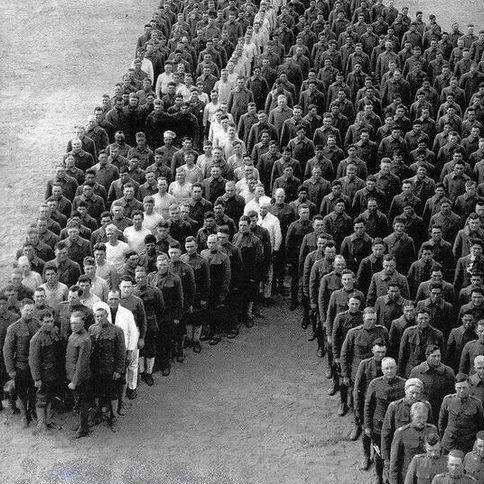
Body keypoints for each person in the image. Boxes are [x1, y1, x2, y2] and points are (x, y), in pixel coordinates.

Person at [364, 357, 406, 484]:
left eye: (392, 367)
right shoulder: (375, 384)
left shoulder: (404, 383)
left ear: (396, 368)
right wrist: (367, 426)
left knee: (397, 453)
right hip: (379, 426)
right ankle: (379, 477)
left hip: (397, 426)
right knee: (380, 454)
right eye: (386, 368)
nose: (389, 371)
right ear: (382, 370)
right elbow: (368, 405)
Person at [3, 299, 39, 428]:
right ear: (21, 310)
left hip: (35, 366)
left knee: (34, 390)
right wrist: (11, 370)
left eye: (31, 310)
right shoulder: (13, 328)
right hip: (21, 366)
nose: (29, 313)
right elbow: (7, 350)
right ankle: (25, 414)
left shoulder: (37, 324)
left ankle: (33, 411)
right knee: (22, 392)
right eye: (26, 310)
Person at [90, 301, 126, 429]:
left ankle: (113, 417)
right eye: (97, 316)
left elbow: (121, 353)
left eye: (102, 316)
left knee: (113, 395)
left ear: (107, 315)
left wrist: (118, 370)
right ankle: (98, 414)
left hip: (111, 369)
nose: (99, 318)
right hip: (97, 369)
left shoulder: (117, 331)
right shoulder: (92, 329)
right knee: (98, 393)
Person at [389, 402, 438, 484]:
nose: (422, 421)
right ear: (412, 416)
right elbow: (394, 461)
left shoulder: (432, 430)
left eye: (424, 418)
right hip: (408, 476)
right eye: (419, 418)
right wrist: (393, 481)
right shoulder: (401, 433)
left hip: (427, 475)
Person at [439, 373, 484, 454]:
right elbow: (442, 422)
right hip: (449, 443)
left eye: (464, 388)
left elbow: (480, 425)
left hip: (467, 444)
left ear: (469, 387)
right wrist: (443, 437)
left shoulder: (477, 403)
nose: (462, 390)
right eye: (459, 388)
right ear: (455, 387)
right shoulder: (448, 400)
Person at [65, 311, 92, 438]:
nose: (73, 325)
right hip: (72, 375)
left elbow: (82, 363)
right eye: (72, 323)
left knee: (82, 403)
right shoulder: (73, 335)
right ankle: (82, 424)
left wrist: (74, 382)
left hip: (80, 378)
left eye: (76, 323)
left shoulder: (84, 339)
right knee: (78, 402)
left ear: (83, 322)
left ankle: (84, 428)